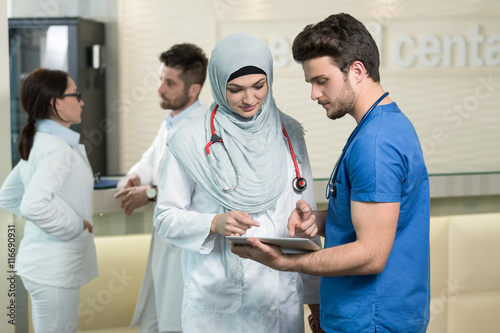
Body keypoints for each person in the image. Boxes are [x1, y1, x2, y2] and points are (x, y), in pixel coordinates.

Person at [231, 13, 431, 333]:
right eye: (311, 82)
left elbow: (371, 255)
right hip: (367, 314)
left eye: (321, 81)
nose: (314, 94)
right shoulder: (383, 126)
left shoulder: (375, 144)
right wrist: (319, 221)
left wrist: (286, 262)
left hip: (372, 319)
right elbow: (378, 217)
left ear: (356, 71)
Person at [153, 33, 321, 332]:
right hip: (221, 308)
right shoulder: (190, 140)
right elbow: (165, 217)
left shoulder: (289, 132)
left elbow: (303, 225)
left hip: (282, 302)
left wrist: (316, 302)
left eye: (259, 86)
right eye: (235, 89)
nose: (249, 99)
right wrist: (213, 223)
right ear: (219, 85)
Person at [118, 43, 208, 333]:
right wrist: (135, 177)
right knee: (157, 319)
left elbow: (199, 187)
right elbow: (149, 160)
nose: (160, 88)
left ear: (193, 90)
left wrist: (150, 193)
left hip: (186, 246)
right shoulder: (171, 122)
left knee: (177, 319)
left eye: (170, 82)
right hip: (164, 241)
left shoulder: (202, 128)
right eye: (161, 79)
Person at [0, 68, 97, 332]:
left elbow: (8, 196)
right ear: (55, 103)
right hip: (53, 268)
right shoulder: (55, 149)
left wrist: (55, 216)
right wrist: (75, 224)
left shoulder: (43, 142)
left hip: (45, 267)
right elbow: (32, 205)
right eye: (75, 94)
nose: (81, 101)